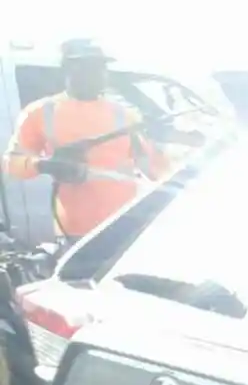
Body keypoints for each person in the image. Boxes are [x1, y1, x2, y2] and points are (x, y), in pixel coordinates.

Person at [4, 39, 169, 241]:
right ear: (68, 70)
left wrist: (165, 146)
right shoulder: (40, 113)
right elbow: (11, 164)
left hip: (125, 224)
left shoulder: (124, 115)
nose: (97, 74)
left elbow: (155, 168)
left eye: (100, 67)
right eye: (87, 67)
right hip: (75, 231)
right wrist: (44, 165)